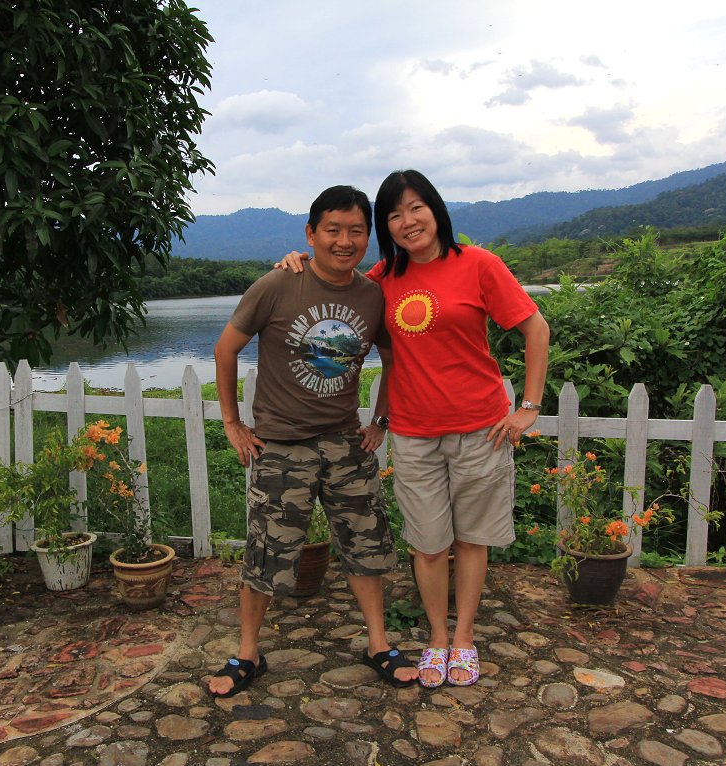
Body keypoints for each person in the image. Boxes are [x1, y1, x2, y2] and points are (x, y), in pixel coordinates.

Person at [278, 169, 549, 688]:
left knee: (471, 540)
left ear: (435, 209)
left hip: (481, 428)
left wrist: (528, 405)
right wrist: (295, 262)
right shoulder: (384, 278)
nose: (407, 221)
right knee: (427, 543)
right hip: (415, 433)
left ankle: (464, 639)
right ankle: (437, 638)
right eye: (394, 215)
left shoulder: (478, 265)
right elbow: (331, 286)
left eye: (416, 207)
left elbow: (535, 327)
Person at [208, 185, 417, 697]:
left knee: (366, 547)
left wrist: (380, 420)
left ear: (367, 236)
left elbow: (392, 360)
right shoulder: (279, 283)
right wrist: (233, 423)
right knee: (265, 554)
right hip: (281, 446)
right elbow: (225, 349)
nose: (344, 241)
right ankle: (247, 653)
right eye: (333, 230)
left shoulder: (371, 294)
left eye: (355, 230)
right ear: (310, 233)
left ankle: (378, 644)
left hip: (347, 443)